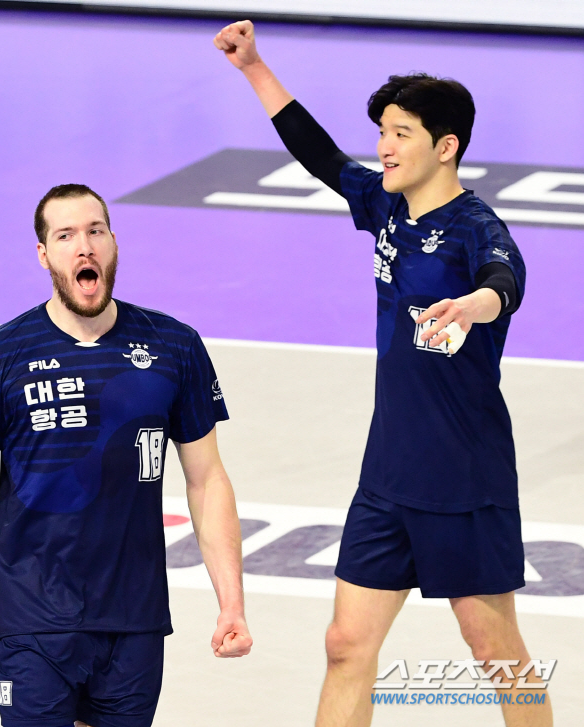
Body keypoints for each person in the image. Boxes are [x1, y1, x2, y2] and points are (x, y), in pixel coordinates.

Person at [214, 20, 552, 727]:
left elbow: (505, 281)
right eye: (383, 132)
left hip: (464, 478)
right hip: (389, 474)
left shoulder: (477, 228)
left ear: (445, 146)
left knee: (495, 649)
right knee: (346, 644)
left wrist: (473, 305)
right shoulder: (387, 205)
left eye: (401, 133)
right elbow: (319, 154)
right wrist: (253, 66)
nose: (385, 146)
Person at [0, 184, 252, 727]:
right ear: (44, 255)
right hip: (32, 617)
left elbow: (207, 481)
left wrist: (232, 604)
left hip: (134, 617)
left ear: (113, 244)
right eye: (65, 236)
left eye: (95, 231)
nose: (84, 246)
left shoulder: (174, 347)